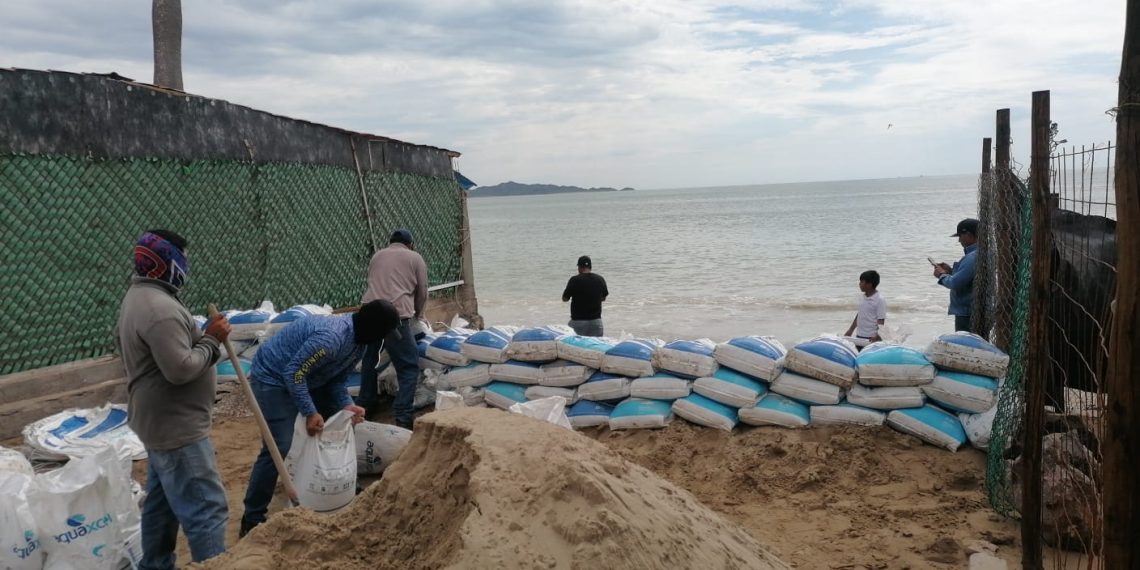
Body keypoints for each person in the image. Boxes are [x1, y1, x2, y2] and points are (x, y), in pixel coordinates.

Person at [116, 229, 231, 569]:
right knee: (206, 507)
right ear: (169, 262)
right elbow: (180, 369)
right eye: (184, 257)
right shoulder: (159, 309)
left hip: (160, 421)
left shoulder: (142, 296)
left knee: (162, 506)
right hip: (177, 427)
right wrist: (211, 340)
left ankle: (155, 564)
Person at [239, 299, 400, 537]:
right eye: (383, 334)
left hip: (309, 377)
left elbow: (336, 380)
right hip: (273, 377)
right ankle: (252, 518)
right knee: (278, 445)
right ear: (372, 329)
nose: (383, 340)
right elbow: (294, 373)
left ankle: (345, 488)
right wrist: (310, 411)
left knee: (343, 421)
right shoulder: (331, 339)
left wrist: (348, 405)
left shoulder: (359, 344)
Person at [357, 228, 428, 427]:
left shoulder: (377, 256)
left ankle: (366, 406)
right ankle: (403, 416)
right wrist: (418, 314)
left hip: (369, 315)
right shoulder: (415, 258)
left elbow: (373, 282)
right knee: (408, 365)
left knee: (369, 361)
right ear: (410, 244)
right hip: (394, 318)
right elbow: (422, 291)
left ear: (390, 243)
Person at [934, 218, 979, 332]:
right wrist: (951, 271)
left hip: (967, 313)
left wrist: (942, 275)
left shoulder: (972, 257)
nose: (959, 241)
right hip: (975, 309)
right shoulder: (982, 252)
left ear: (968, 235)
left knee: (965, 347)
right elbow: (970, 278)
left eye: (960, 236)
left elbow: (955, 283)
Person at [562, 255, 609, 337]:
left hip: (578, 322)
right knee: (596, 348)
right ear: (590, 267)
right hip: (596, 323)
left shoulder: (574, 280)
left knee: (573, 346)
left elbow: (565, 299)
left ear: (579, 267)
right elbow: (603, 298)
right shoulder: (600, 279)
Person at [843, 270, 887, 345]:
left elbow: (881, 320)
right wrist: (850, 330)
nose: (859, 284)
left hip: (871, 338)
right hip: (859, 336)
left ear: (869, 284)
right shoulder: (862, 297)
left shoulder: (879, 300)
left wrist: (878, 336)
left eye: (862, 282)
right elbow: (859, 314)